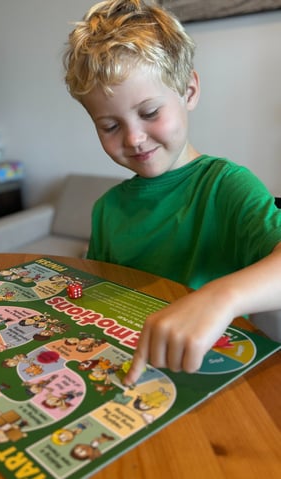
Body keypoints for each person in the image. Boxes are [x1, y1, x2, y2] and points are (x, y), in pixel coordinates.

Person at [63, 0, 281, 383]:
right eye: (110, 126)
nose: (134, 138)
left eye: (149, 113)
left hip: (212, 372)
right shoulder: (107, 208)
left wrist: (220, 297)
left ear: (189, 90)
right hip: (133, 366)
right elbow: (100, 295)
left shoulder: (226, 185)